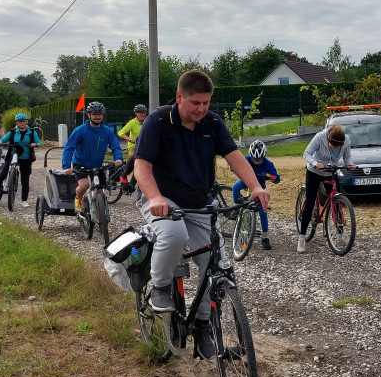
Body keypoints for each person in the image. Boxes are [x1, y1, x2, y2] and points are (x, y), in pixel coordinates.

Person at [134, 70, 270, 360]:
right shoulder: (158, 122)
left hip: (198, 200)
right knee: (173, 234)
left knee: (214, 261)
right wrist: (156, 197)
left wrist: (256, 187)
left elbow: (234, 157)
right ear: (179, 97)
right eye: (196, 103)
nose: (201, 109)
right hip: (161, 197)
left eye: (207, 103)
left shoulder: (212, 123)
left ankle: (203, 327)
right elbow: (141, 167)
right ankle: (160, 287)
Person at [298, 124, 356, 252]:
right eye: (333, 146)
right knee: (310, 201)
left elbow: (347, 157)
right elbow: (306, 154)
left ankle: (340, 234)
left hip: (331, 171)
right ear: (328, 138)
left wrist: (350, 164)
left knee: (337, 202)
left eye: (338, 147)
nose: (336, 148)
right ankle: (302, 237)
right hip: (315, 171)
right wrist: (314, 163)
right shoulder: (319, 137)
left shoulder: (346, 140)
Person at [61, 102, 123, 213]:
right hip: (81, 164)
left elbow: (115, 146)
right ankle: (78, 198)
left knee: (100, 191)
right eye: (94, 114)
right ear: (89, 115)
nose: (97, 116)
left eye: (100, 114)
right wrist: (66, 166)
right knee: (84, 185)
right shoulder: (80, 130)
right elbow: (69, 148)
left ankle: (103, 220)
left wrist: (118, 158)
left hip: (98, 165)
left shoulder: (107, 131)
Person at [232, 140, 280, 250]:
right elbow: (236, 165)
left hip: (259, 187)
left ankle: (265, 237)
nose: (257, 162)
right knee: (235, 187)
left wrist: (271, 177)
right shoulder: (247, 159)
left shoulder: (268, 164)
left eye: (259, 160)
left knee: (262, 210)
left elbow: (277, 179)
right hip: (246, 182)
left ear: (264, 156)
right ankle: (236, 207)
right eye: (254, 160)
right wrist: (234, 168)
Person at [0, 113, 41, 206]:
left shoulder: (32, 132)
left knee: (25, 179)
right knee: (4, 173)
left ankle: (24, 200)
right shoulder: (13, 132)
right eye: (20, 121)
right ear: (17, 123)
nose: (22, 123)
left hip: (26, 158)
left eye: (24, 121)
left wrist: (35, 144)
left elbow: (39, 143)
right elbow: (3, 139)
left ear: (26, 122)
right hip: (13, 155)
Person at [117, 103, 148, 186]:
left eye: (144, 112)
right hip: (133, 147)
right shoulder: (132, 122)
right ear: (135, 113)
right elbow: (120, 132)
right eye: (140, 112)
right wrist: (129, 139)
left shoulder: (148, 121)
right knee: (134, 160)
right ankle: (125, 177)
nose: (142, 114)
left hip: (144, 147)